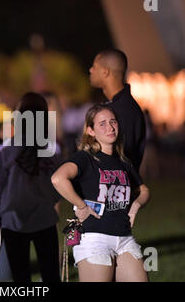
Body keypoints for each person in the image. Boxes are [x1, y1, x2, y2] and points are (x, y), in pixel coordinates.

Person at [51, 103, 150, 282]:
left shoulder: (123, 161)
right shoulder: (85, 158)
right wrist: (81, 205)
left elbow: (144, 191)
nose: (110, 127)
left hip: (124, 238)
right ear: (91, 131)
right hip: (95, 239)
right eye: (102, 123)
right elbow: (58, 179)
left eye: (113, 122)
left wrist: (135, 206)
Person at [0, 92, 62, 282]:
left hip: (15, 221)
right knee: (50, 275)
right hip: (42, 219)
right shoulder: (52, 149)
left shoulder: (6, 149)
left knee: (21, 277)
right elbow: (58, 190)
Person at [89, 49, 146, 172]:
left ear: (105, 72)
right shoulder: (114, 106)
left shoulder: (124, 110)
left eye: (94, 66)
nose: (90, 70)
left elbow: (121, 154)